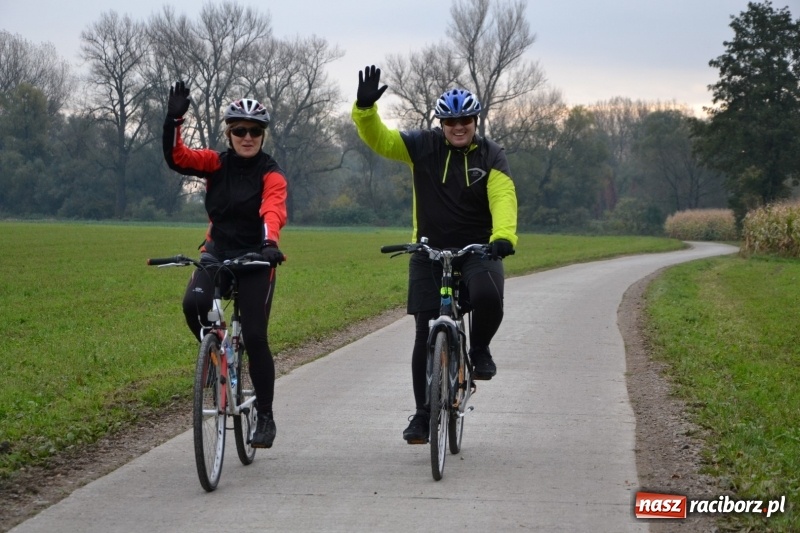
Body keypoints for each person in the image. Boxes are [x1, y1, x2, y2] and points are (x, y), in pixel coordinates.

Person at [351, 66, 518, 444]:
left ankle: (480, 348)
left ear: (475, 121)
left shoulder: (492, 155)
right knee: (424, 330)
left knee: (488, 296)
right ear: (440, 122)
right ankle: (423, 414)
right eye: (450, 121)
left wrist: (503, 236)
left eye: (465, 120)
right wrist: (364, 109)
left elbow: (503, 197)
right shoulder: (423, 146)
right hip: (428, 249)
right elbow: (381, 140)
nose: (458, 127)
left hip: (478, 248)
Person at [163, 81, 288, 449]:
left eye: (254, 131)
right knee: (193, 304)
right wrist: (174, 119)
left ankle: (264, 415)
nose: (246, 137)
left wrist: (269, 244)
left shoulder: (271, 173)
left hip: (255, 258)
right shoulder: (216, 163)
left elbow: (273, 209)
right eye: (239, 130)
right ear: (229, 133)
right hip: (217, 252)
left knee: (255, 336)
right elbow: (178, 158)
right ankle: (213, 358)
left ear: (262, 135)